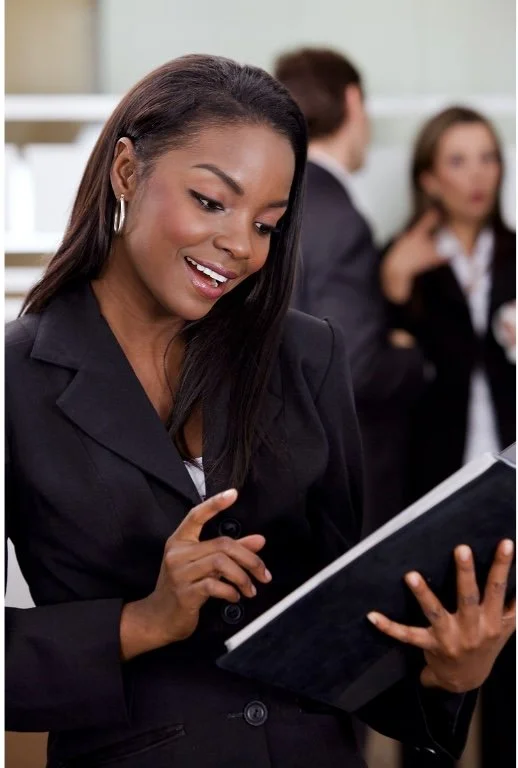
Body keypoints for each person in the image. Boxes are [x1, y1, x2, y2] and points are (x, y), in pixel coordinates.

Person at [6, 56, 515, 768]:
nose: (241, 246)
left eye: (268, 223)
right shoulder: (18, 376)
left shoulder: (307, 355)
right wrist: (140, 623)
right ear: (126, 171)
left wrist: (447, 674)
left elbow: (347, 622)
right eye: (211, 202)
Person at [381, 106, 516, 768]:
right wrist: (397, 291)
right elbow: (385, 391)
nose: (477, 175)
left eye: (487, 156)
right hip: (432, 497)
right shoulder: (400, 262)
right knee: (434, 679)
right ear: (429, 178)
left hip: (513, 489)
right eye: (458, 160)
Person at [274, 48, 424, 535]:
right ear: (354, 102)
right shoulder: (341, 220)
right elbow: (356, 368)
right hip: (337, 481)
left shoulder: (274, 202)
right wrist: (410, 355)